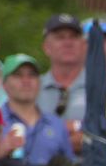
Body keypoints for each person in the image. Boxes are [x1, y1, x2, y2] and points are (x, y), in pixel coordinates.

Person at [0, 53, 75, 166]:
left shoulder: (56, 124)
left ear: (39, 82)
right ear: (4, 84)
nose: (26, 81)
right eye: (18, 75)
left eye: (32, 75)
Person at [37, 13, 87, 155]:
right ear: (46, 47)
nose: (68, 43)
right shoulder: (32, 88)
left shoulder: (101, 88)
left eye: (74, 37)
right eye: (60, 37)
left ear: (83, 46)